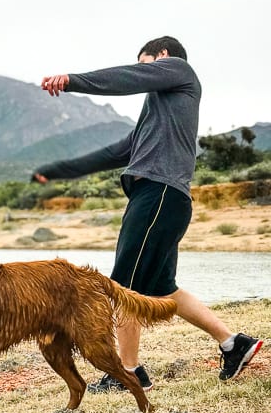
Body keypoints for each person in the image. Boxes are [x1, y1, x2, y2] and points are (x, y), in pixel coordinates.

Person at [32, 35, 262, 392]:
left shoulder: (179, 69)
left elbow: (127, 78)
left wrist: (73, 80)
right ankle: (234, 343)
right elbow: (114, 152)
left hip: (159, 195)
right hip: (162, 198)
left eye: (145, 65)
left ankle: (128, 372)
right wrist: (57, 170)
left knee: (125, 288)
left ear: (163, 56)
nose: (143, 74)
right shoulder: (155, 118)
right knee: (160, 288)